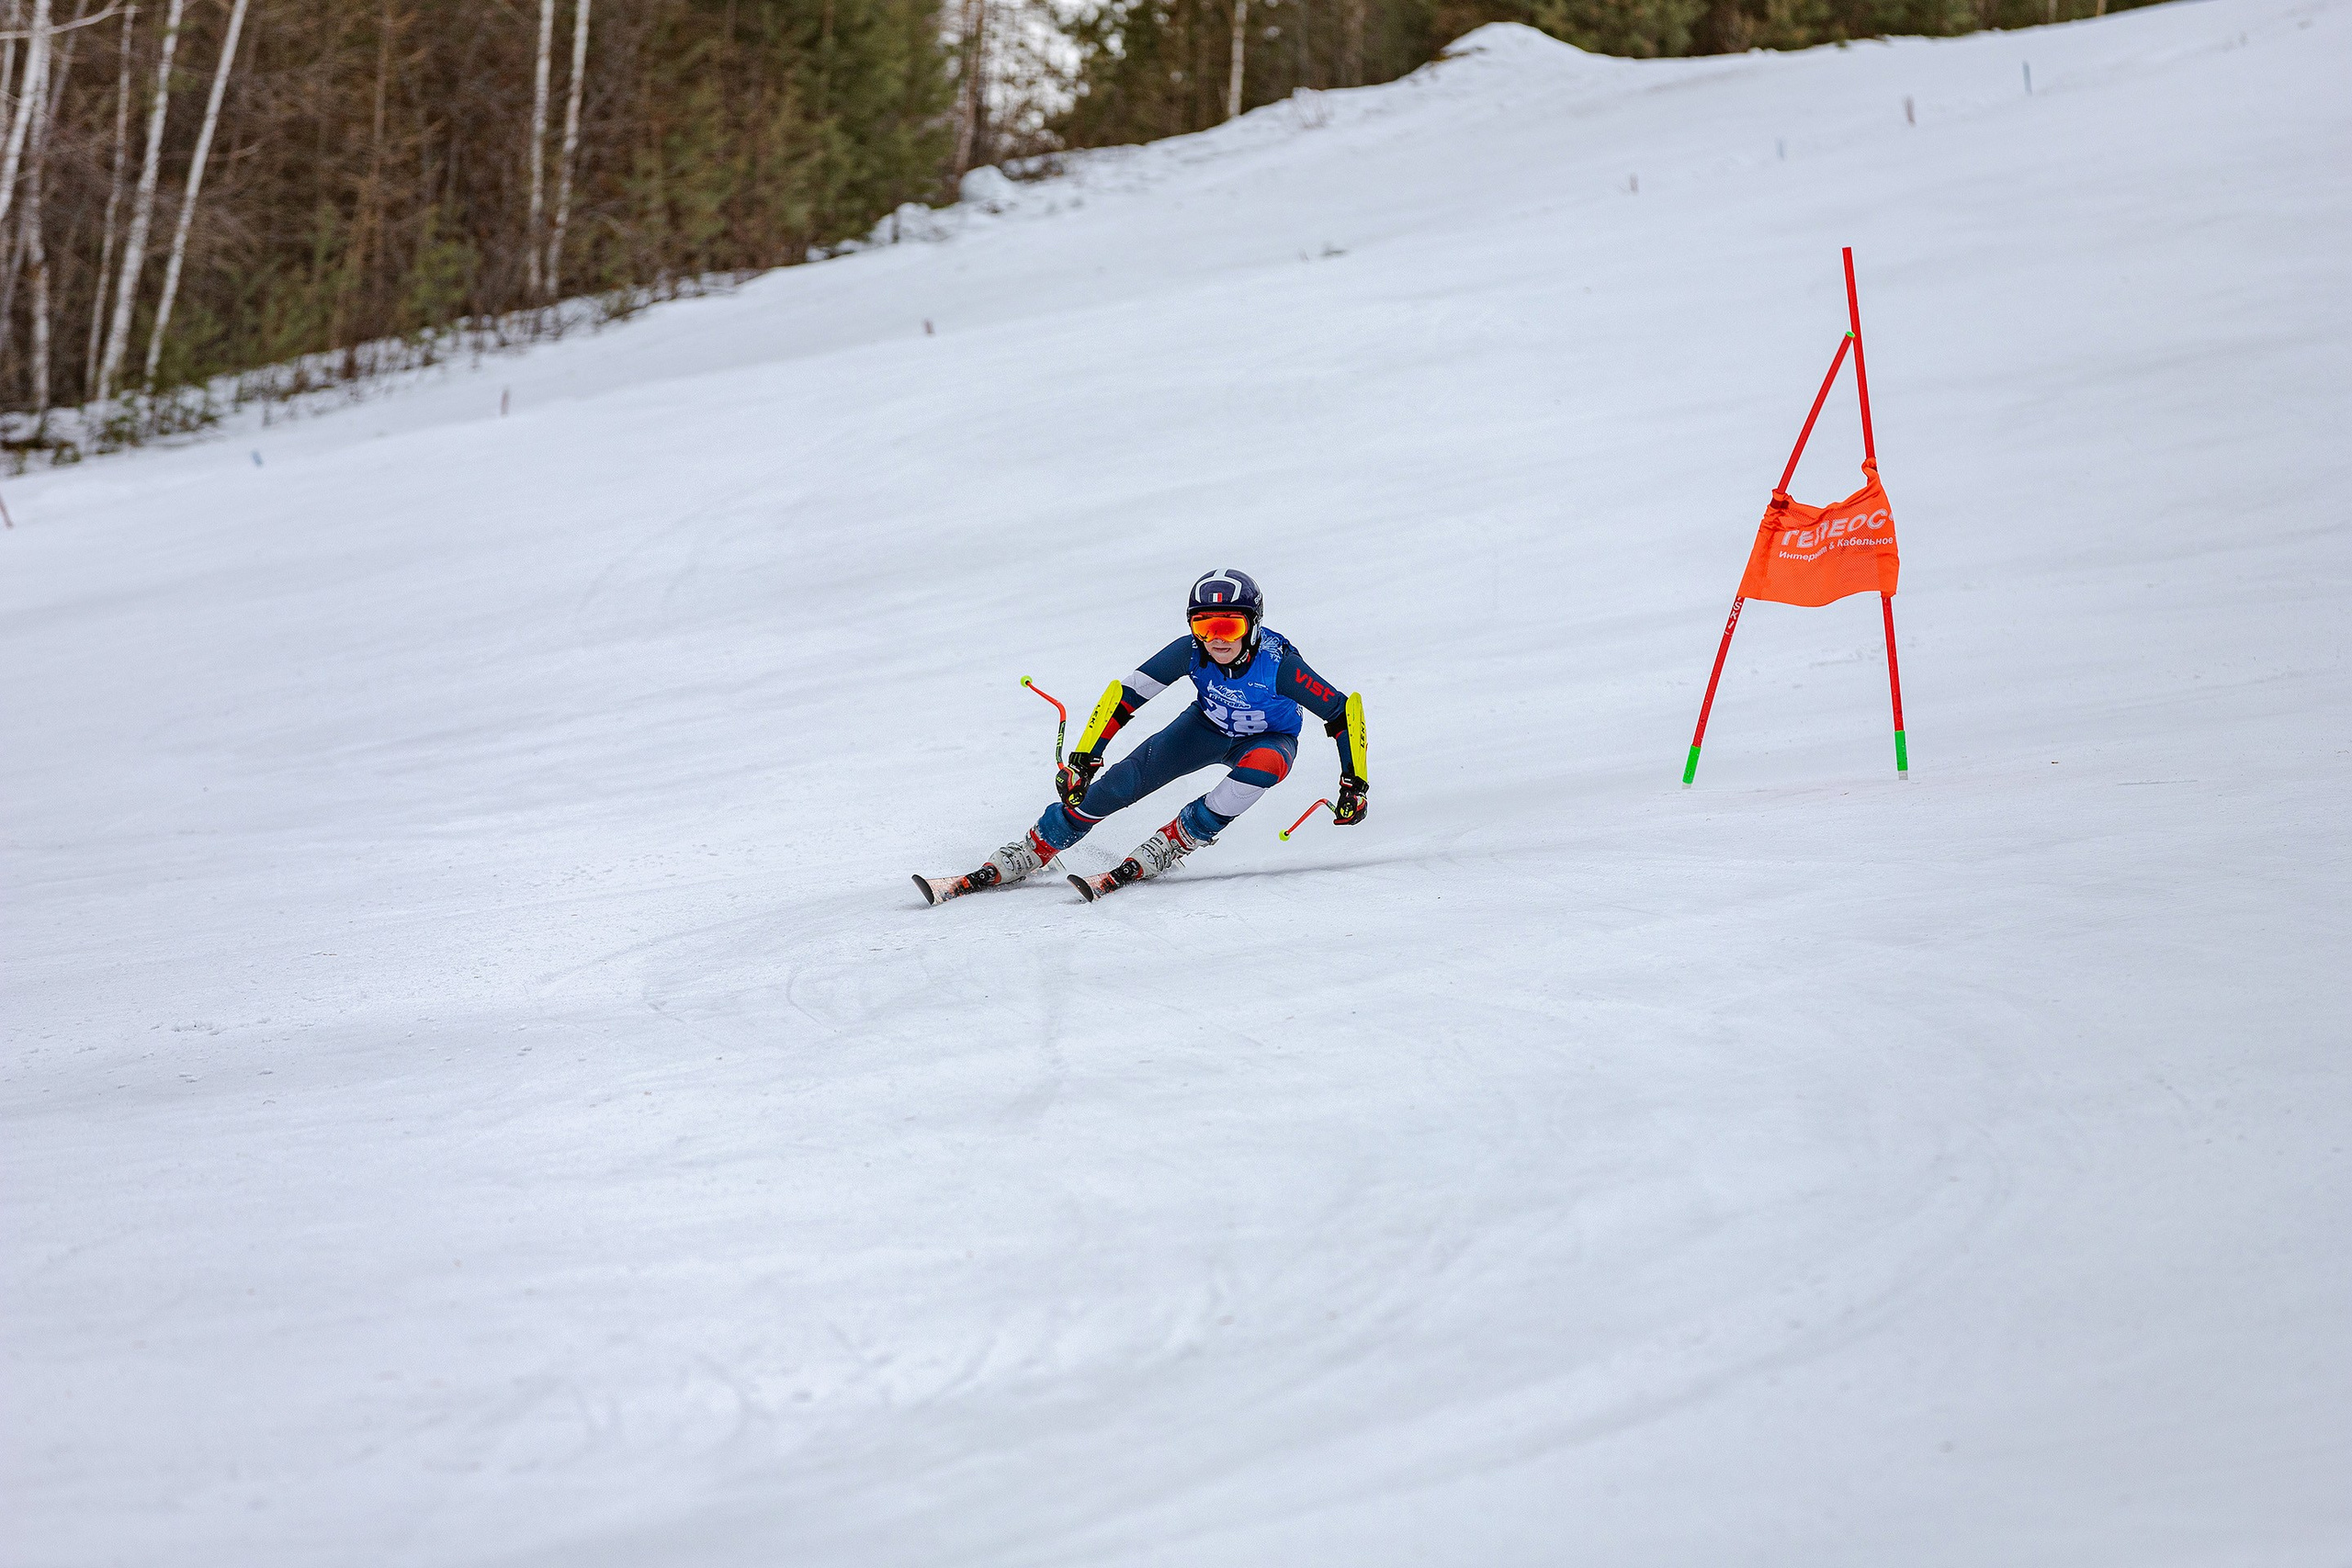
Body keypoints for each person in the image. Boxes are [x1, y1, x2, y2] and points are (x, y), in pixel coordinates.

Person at [916, 570, 1367, 904]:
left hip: (1269, 740)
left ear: (1253, 623)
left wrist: (1354, 784)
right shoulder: (1191, 651)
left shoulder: (1278, 662)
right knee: (1118, 785)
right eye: (1204, 626)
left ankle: (1177, 840)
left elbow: (1343, 713)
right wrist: (1085, 758)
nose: (1216, 639)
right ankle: (1036, 847)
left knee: (1263, 767)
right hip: (1206, 728)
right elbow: (1127, 694)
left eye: (1228, 626)